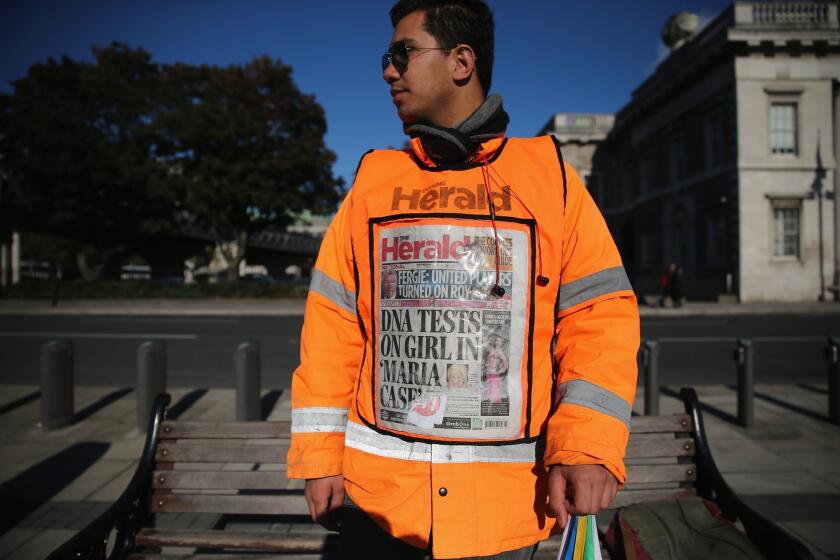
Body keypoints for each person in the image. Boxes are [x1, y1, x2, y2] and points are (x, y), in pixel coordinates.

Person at [287, 1, 640, 558]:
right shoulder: (374, 182)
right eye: (388, 56)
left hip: (503, 516)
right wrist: (319, 456)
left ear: (461, 61)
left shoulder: (551, 180)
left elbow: (600, 320)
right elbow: (333, 326)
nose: (387, 70)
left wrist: (588, 449)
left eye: (403, 52)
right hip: (379, 508)